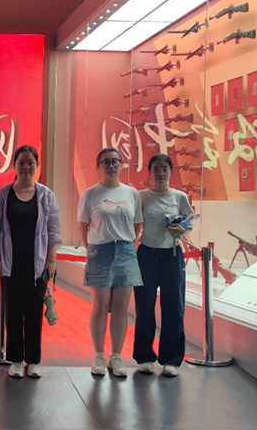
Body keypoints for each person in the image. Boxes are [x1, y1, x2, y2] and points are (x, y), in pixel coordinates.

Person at [0, 145, 61, 378]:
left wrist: (51, 259)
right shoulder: (3, 195)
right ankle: (16, 359)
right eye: (21, 162)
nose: (26, 167)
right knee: (13, 312)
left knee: (34, 312)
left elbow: (54, 230)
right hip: (11, 263)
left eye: (30, 163)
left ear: (37, 165)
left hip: (37, 264)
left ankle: (33, 360)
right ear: (14, 165)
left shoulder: (46, 195)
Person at [78, 147, 143, 377]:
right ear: (99, 166)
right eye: (106, 162)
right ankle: (99, 355)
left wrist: (129, 243)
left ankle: (116, 356)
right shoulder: (90, 194)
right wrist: (90, 248)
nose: (111, 166)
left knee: (120, 308)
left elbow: (138, 224)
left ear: (122, 164)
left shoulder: (132, 193)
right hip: (100, 251)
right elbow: (83, 225)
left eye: (115, 161)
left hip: (126, 251)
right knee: (100, 305)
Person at [133, 153, 193, 377]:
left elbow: (188, 223)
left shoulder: (179, 197)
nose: (160, 173)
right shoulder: (141, 196)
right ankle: (144, 357)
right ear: (149, 172)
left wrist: (182, 230)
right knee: (144, 306)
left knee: (174, 307)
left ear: (170, 171)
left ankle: (171, 360)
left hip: (172, 255)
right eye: (156, 169)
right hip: (146, 255)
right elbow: (134, 224)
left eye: (164, 168)